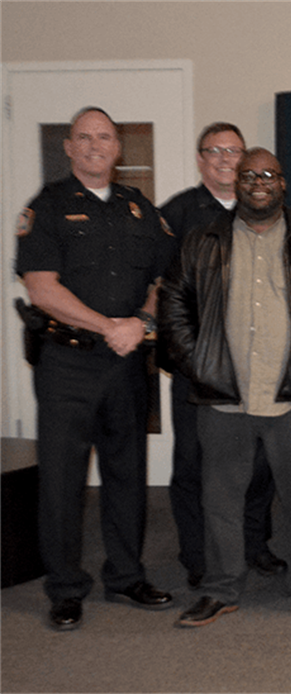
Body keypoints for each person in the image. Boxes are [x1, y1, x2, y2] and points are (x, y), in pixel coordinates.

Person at [161, 148, 291, 628]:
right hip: (225, 394)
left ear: (284, 183)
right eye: (248, 175)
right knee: (219, 497)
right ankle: (221, 588)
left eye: (268, 174)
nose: (258, 182)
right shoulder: (203, 239)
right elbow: (174, 302)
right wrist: (198, 360)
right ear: (236, 182)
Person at [16, 106, 176, 630]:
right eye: (83, 138)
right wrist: (109, 325)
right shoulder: (48, 207)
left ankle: (126, 576)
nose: (94, 146)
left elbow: (162, 280)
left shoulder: (138, 209)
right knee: (61, 480)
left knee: (127, 473)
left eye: (103, 137)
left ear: (117, 147)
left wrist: (141, 323)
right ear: (68, 147)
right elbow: (41, 288)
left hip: (126, 363)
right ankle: (64, 588)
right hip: (66, 363)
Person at [161, 123, 287, 589]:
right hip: (201, 369)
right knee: (195, 465)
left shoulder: (271, 212)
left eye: (233, 151)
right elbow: (163, 293)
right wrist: (192, 358)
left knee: (259, 465)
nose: (224, 159)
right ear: (200, 159)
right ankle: (199, 555)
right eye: (214, 151)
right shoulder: (177, 213)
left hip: (261, 367)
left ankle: (255, 544)